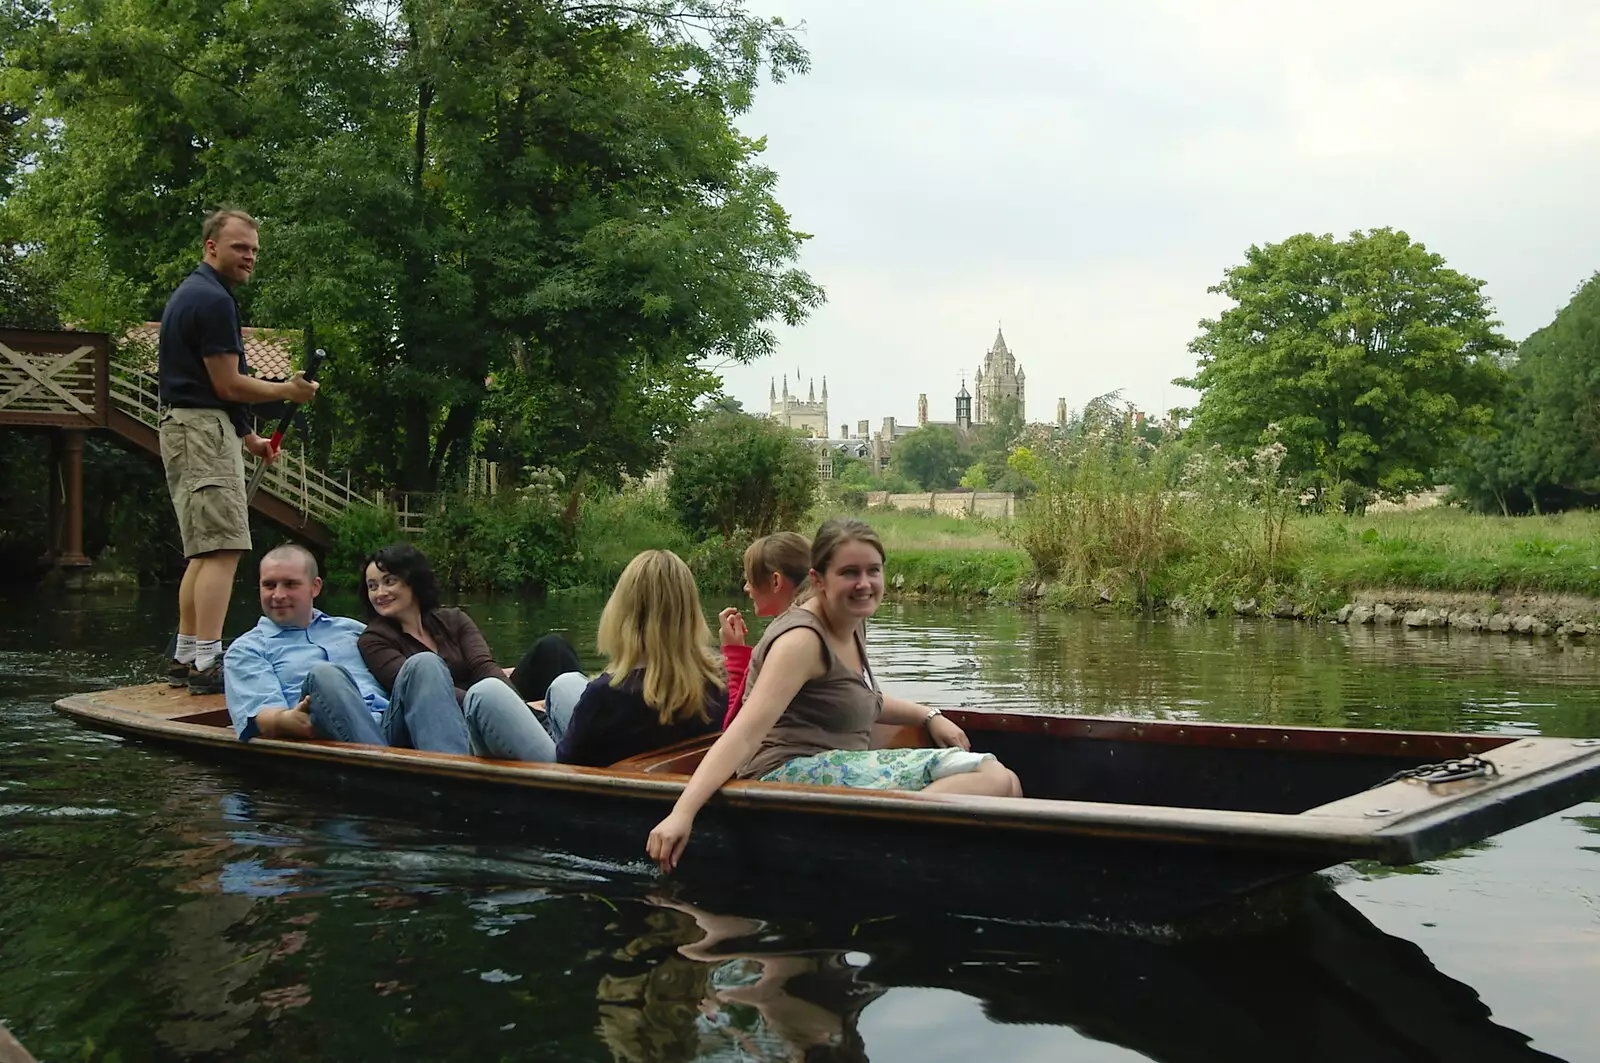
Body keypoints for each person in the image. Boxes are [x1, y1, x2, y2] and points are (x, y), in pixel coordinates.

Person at [647, 519, 1023, 873]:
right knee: (988, 776)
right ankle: (894, 857)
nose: (864, 583)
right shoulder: (801, 641)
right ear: (818, 578)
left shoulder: (851, 620)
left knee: (1008, 780)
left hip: (835, 764)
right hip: (786, 773)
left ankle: (980, 868)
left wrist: (929, 715)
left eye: (873, 570)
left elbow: (860, 699)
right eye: (849, 573)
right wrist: (683, 813)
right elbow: (744, 733)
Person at [159, 209, 318, 694]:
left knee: (203, 552)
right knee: (223, 547)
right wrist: (286, 391)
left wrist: (247, 436)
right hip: (200, 431)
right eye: (238, 247)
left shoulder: (198, 294)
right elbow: (227, 384)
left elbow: (208, 386)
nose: (248, 256)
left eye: (253, 249)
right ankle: (208, 662)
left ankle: (186, 653)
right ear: (211, 247)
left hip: (194, 427)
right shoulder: (212, 301)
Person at [222, 544, 470, 752]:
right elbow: (260, 714)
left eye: (290, 584)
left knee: (423, 663)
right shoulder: (248, 648)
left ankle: (455, 769)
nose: (278, 595)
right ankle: (385, 771)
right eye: (269, 585)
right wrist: (286, 720)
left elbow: (403, 673)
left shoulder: (353, 629)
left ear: (315, 587)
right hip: (328, 733)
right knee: (325, 674)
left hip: (391, 724)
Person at [356, 543, 556, 761]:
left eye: (389, 581)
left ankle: (578, 734)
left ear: (412, 581)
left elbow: (484, 666)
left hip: (486, 705)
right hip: (438, 725)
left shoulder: (453, 619)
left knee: (552, 648)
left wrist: (515, 705)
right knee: (426, 665)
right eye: (372, 586)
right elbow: (429, 691)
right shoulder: (373, 640)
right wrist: (501, 706)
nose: (380, 593)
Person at [539, 550, 726, 767]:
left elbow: (566, 760)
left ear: (624, 612)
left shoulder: (606, 695)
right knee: (565, 683)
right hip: (668, 769)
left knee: (490, 695)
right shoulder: (716, 679)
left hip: (587, 787)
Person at [716, 532, 810, 728]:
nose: (746, 588)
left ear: (776, 581)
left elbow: (736, 726)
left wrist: (733, 654)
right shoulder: (829, 626)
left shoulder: (786, 642)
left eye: (749, 579)